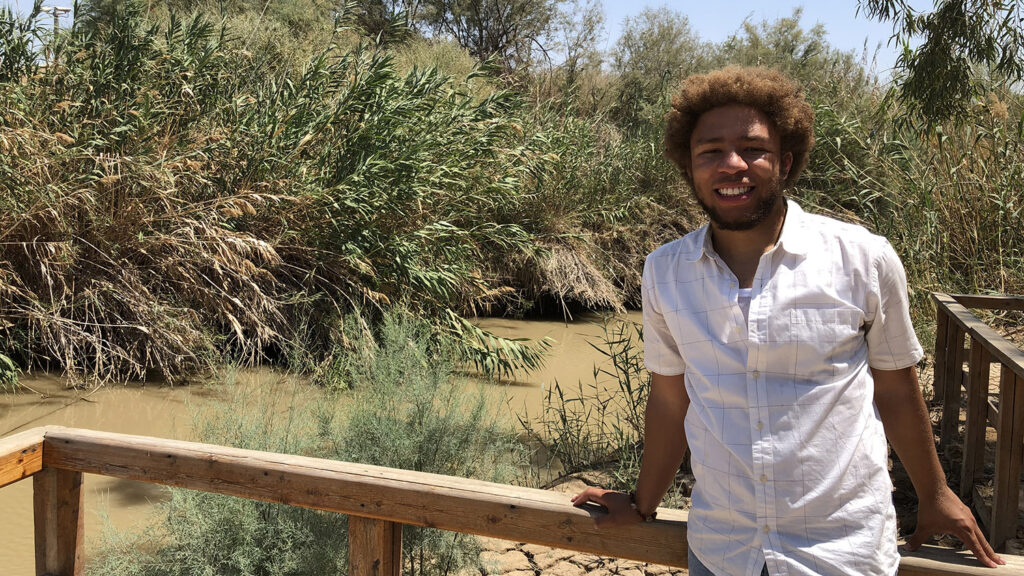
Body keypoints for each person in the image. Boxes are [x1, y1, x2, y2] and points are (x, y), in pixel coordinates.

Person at [571, 66, 1005, 576]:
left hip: (840, 552)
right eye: (709, 152)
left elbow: (894, 388)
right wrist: (643, 503)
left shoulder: (863, 258)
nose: (731, 165)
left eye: (753, 148)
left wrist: (934, 494)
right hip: (722, 550)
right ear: (689, 168)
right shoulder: (664, 271)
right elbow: (670, 398)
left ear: (787, 160)